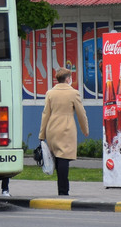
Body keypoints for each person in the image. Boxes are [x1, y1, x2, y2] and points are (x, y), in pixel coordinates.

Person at [38, 67, 89, 196]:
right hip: (67, 129)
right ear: (67, 79)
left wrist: (42, 134)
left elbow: (45, 114)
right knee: (64, 159)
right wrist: (85, 129)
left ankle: (61, 188)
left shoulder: (50, 93)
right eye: (70, 78)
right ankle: (63, 190)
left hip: (52, 128)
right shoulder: (74, 93)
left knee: (57, 158)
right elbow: (81, 113)